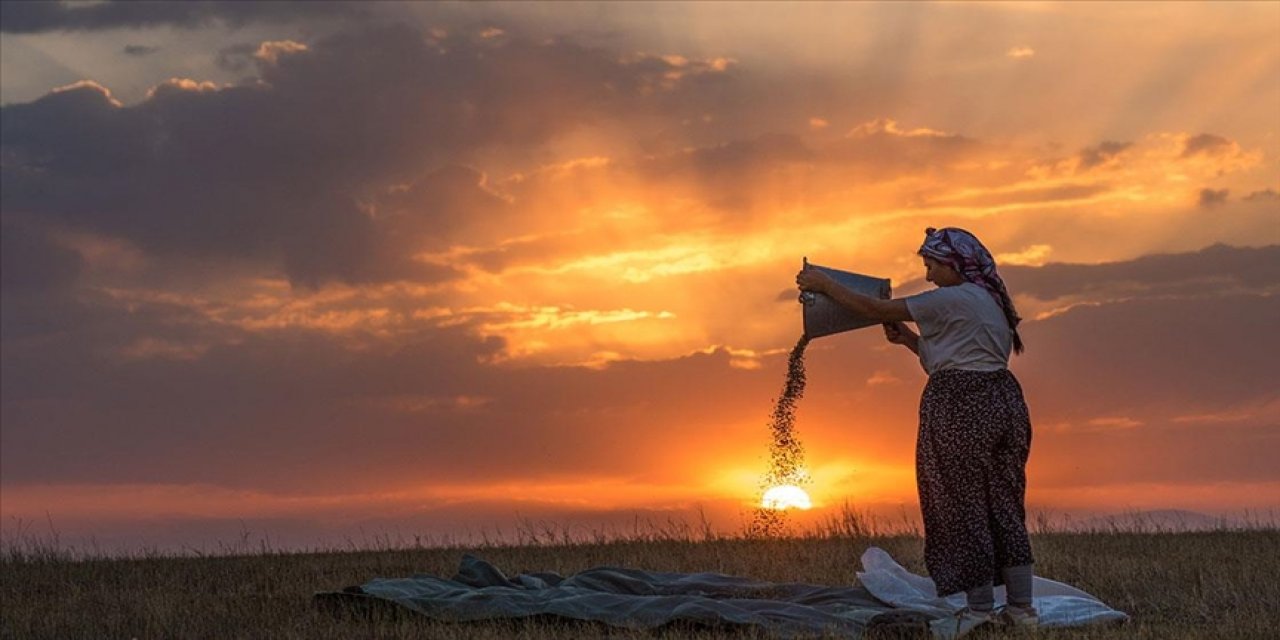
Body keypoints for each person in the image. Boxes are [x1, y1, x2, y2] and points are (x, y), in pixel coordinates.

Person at [795, 227, 1038, 630]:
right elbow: (949, 357)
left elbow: (874, 310)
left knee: (963, 505)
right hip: (1004, 401)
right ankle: (1022, 610)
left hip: (960, 405)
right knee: (1004, 504)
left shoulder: (950, 298)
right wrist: (909, 340)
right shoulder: (988, 300)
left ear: (953, 264)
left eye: (930, 265)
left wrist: (825, 284)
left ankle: (978, 611)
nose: (927, 275)